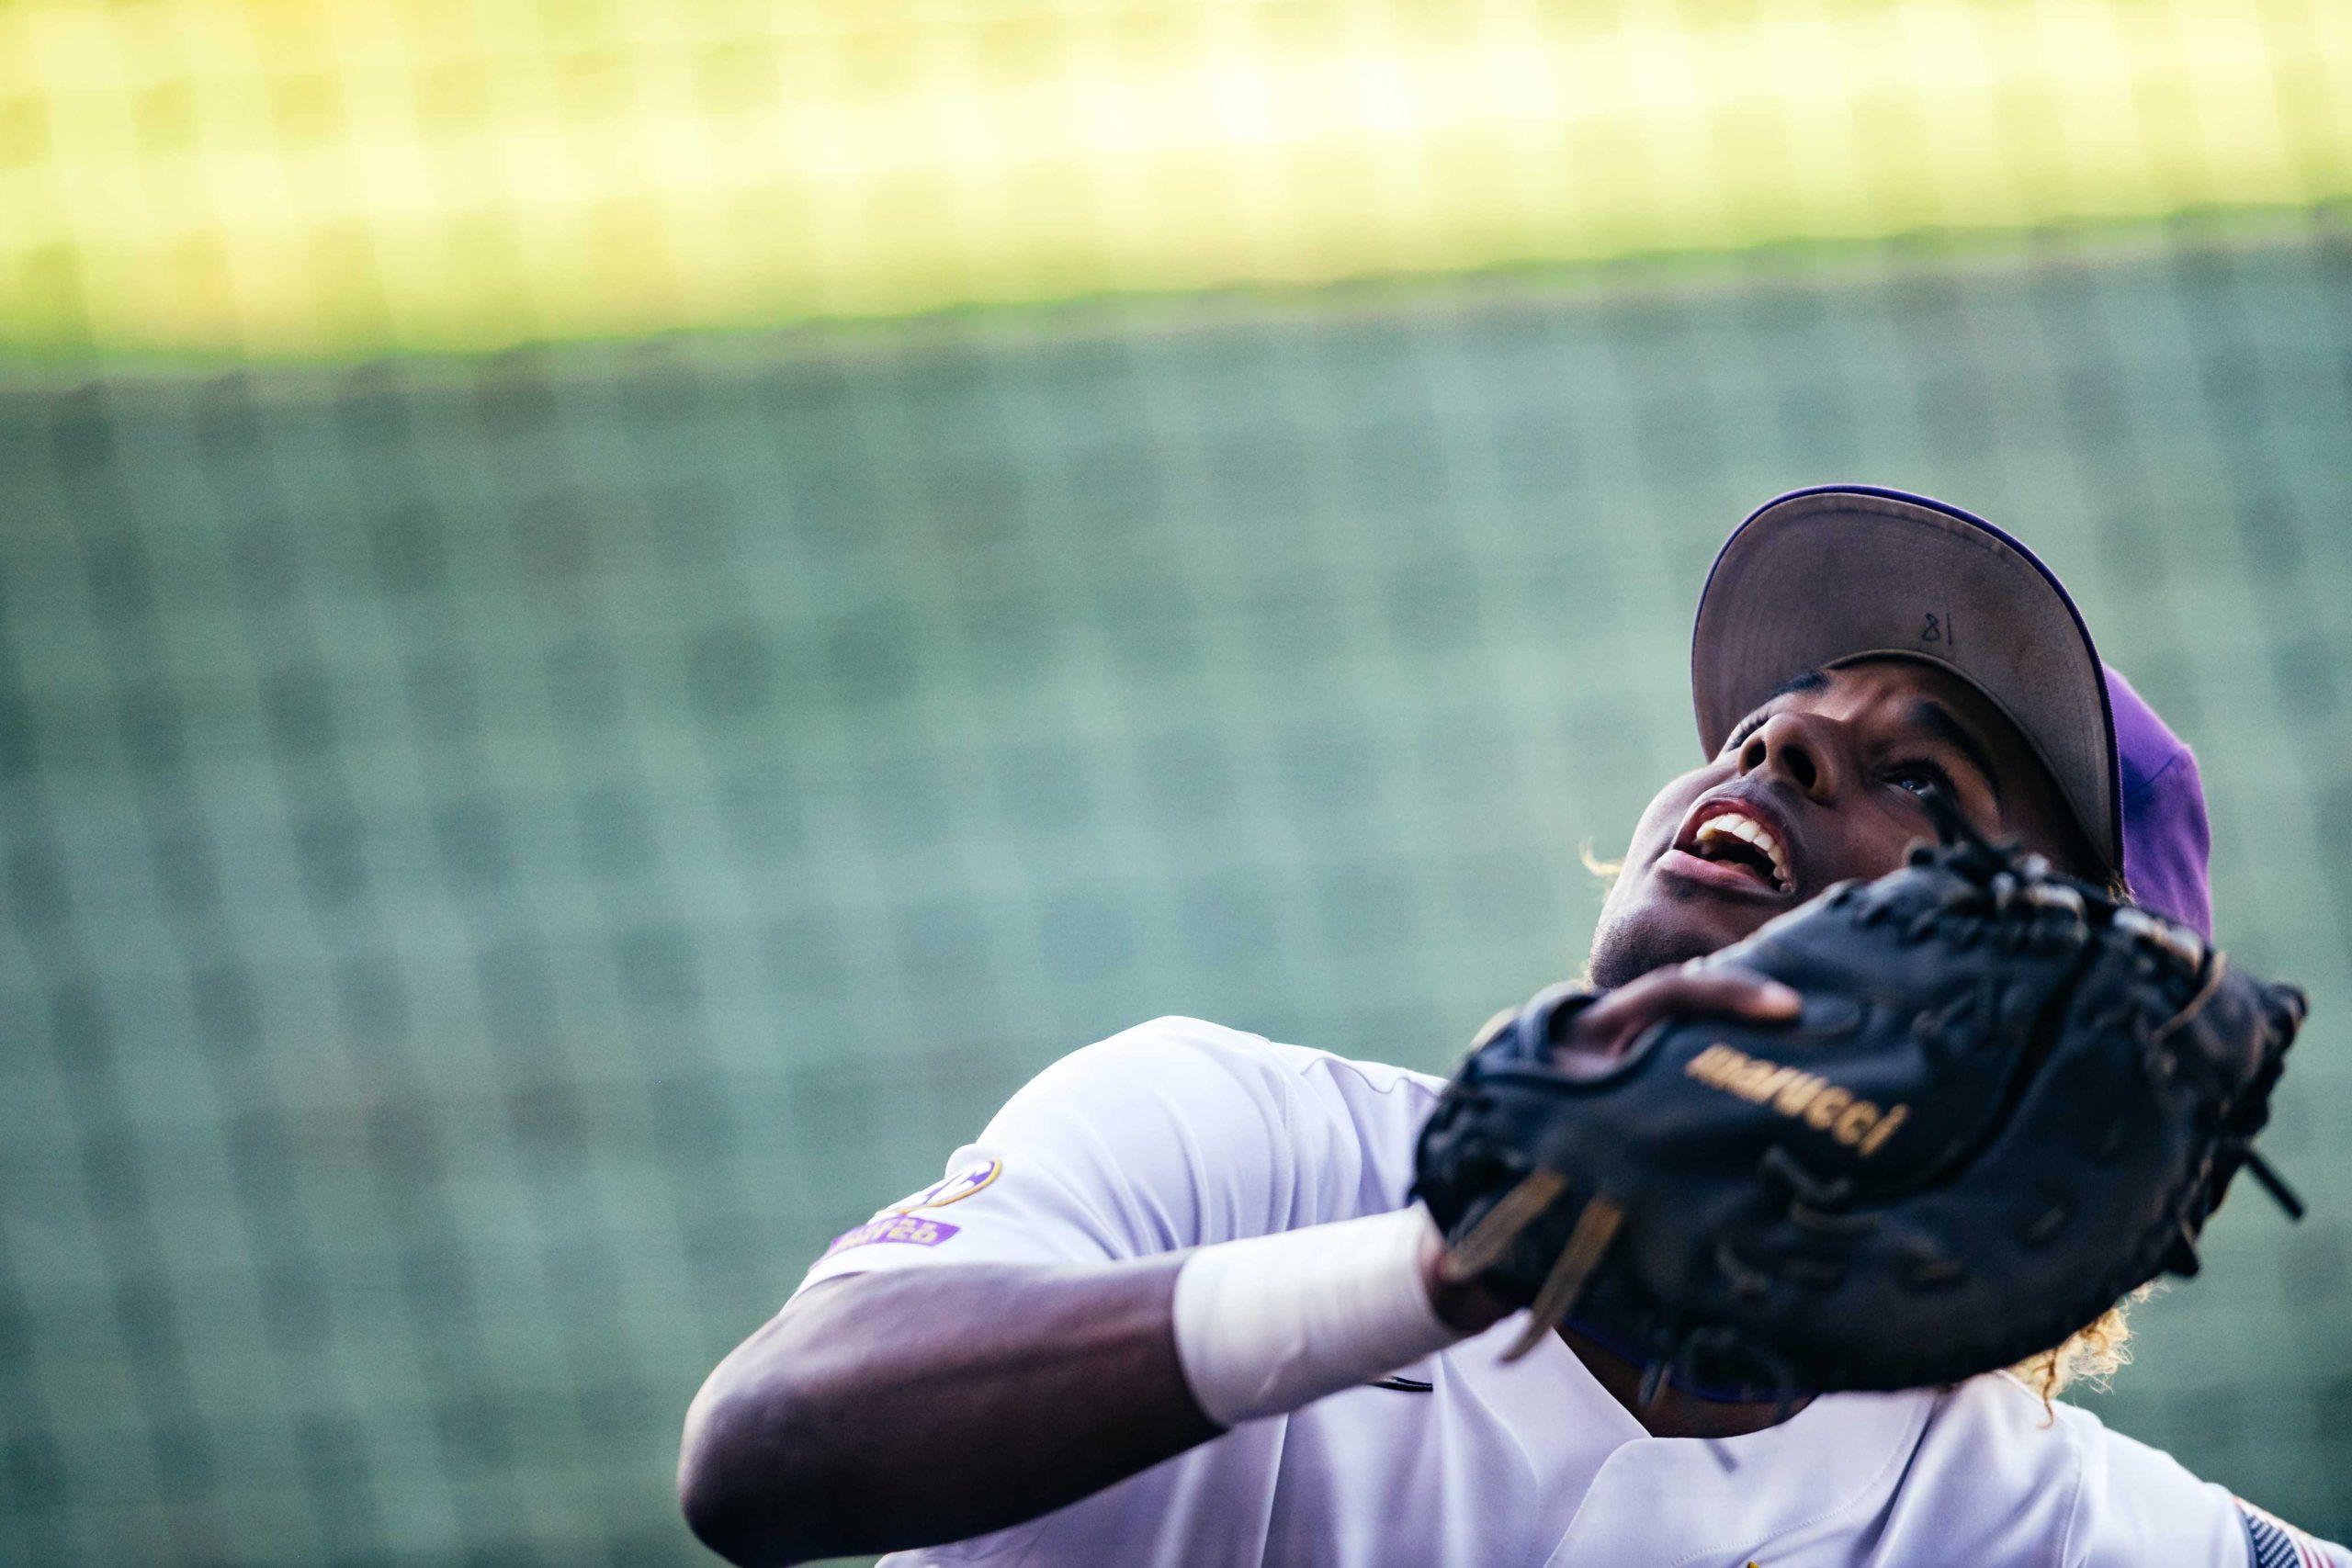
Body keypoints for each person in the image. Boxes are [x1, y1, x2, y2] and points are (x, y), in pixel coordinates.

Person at [677, 488, 2345, 1567]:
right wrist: (1449, 1269)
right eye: (1771, 722)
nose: (1782, 751)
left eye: (1924, 777)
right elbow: (765, 1450)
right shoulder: (1232, 1142)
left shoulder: (2048, 1528)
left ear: (2047, 1059)